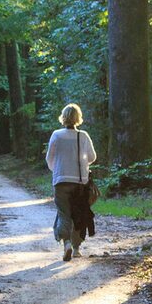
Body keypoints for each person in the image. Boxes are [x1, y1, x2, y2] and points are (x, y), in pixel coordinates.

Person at [45, 103, 97, 261]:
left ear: (63, 117)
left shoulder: (56, 135)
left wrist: (57, 170)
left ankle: (66, 242)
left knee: (64, 213)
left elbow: (50, 158)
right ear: (78, 118)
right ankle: (76, 249)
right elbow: (92, 157)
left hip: (61, 180)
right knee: (78, 214)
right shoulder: (83, 136)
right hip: (80, 182)